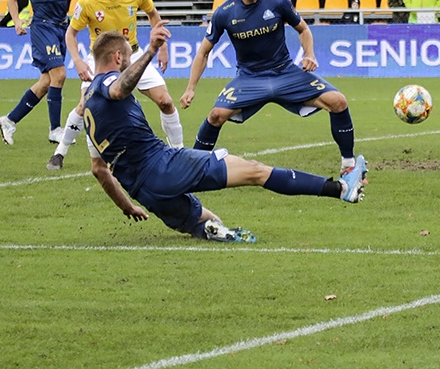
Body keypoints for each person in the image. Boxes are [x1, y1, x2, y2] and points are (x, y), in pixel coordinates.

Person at [83, 26, 366, 243]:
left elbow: (99, 170)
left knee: (206, 222)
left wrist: (127, 206)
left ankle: (213, 231)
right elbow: (120, 88)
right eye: (127, 59)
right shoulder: (108, 82)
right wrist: (149, 52)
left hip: (144, 192)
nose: (127, 64)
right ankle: (341, 189)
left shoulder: (87, 109)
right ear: (118, 57)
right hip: (163, 165)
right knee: (256, 172)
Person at [180, 0, 363, 177]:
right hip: (249, 78)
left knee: (338, 101)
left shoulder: (278, 1)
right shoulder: (224, 12)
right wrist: (190, 88)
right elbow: (203, 52)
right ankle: (192, 173)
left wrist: (310, 54)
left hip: (285, 73)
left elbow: (304, 30)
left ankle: (348, 165)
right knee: (216, 115)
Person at [47, 0, 184, 171]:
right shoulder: (88, 2)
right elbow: (70, 34)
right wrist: (78, 61)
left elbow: (153, 14)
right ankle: (59, 153)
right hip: (101, 61)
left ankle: (178, 151)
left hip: (134, 56)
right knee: (84, 106)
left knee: (166, 101)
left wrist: (163, 47)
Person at [0, 0, 87, 146]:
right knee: (60, 74)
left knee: (47, 81)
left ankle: (9, 120)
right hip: (42, 27)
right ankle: (55, 129)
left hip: (62, 27)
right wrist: (17, 21)